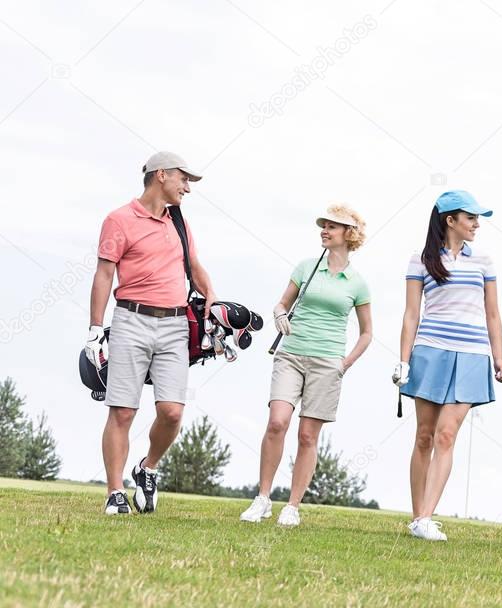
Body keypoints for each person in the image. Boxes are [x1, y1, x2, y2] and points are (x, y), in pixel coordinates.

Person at [85, 151, 217, 515]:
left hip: (175, 325)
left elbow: (194, 265)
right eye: (183, 179)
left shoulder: (179, 222)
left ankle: (147, 469)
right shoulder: (119, 219)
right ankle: (115, 492)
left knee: (172, 412)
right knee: (123, 412)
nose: (187, 187)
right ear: (161, 175)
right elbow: (103, 274)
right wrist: (96, 329)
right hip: (131, 320)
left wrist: (214, 304)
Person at [240, 204, 373, 527]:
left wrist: (345, 363)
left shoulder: (357, 283)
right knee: (277, 422)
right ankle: (263, 498)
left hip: (327, 363)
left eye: (333, 227)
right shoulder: (305, 267)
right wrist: (279, 314)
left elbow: (368, 333)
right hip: (291, 355)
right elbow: (282, 303)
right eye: (323, 226)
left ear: (349, 235)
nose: (325, 231)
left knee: (307, 437)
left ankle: (293, 506)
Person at [392, 190, 502, 541]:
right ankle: (418, 517)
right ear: (450, 220)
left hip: (472, 355)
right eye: (471, 218)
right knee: (425, 435)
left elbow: (492, 313)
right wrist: (403, 359)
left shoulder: (484, 262)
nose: (476, 224)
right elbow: (412, 313)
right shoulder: (421, 260)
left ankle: (426, 518)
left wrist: (499, 357)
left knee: (446, 435)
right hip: (430, 352)